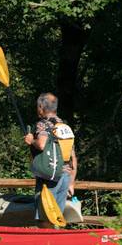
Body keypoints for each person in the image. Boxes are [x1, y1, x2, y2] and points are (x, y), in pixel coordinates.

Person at [23, 93, 78, 222]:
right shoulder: (65, 127)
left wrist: (31, 140)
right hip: (65, 176)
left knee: (44, 217)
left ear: (41, 107)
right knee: (57, 218)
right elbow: (73, 157)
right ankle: (55, 240)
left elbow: (41, 144)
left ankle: (44, 241)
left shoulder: (44, 124)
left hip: (49, 178)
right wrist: (71, 182)